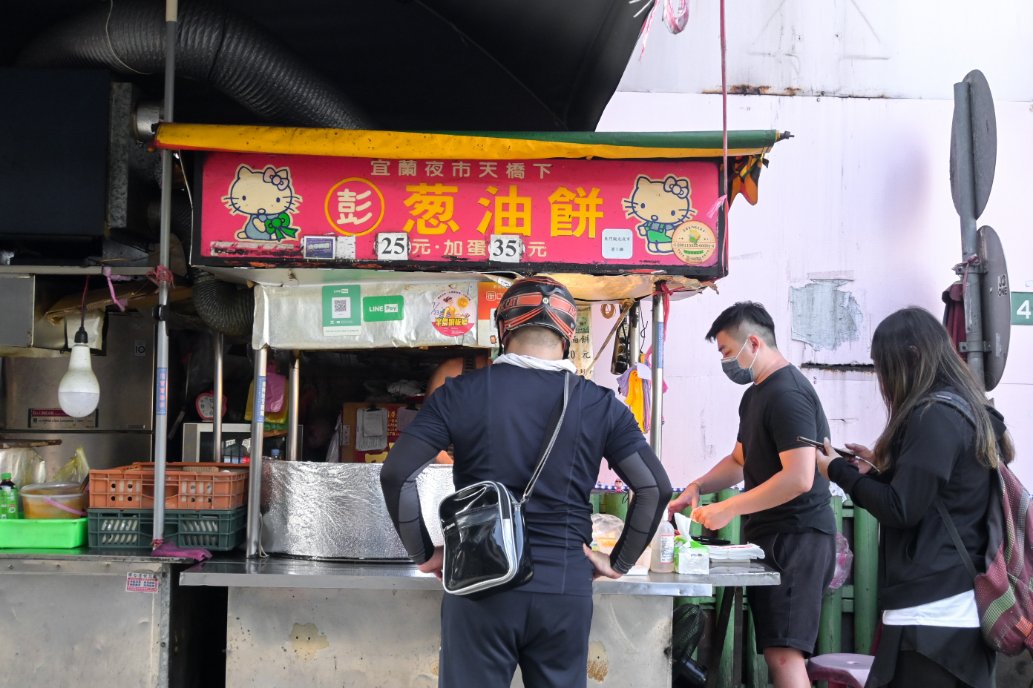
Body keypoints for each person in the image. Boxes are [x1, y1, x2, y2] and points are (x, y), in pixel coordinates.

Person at [380, 276, 672, 688]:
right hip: (565, 585)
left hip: (480, 583)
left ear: (504, 330)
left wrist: (425, 553)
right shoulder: (601, 404)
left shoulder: (459, 394)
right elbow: (654, 488)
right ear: (567, 336)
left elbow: (396, 474)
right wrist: (619, 562)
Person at [815, 307, 1011, 688]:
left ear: (912, 358)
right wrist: (880, 470)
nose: (884, 381)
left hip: (934, 618)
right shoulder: (966, 409)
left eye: (885, 367)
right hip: (948, 611)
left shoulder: (934, 414)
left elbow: (901, 508)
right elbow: (939, 492)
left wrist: (835, 471)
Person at [667, 301, 836, 688]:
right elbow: (739, 460)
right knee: (777, 649)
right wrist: (697, 487)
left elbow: (800, 477)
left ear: (754, 343)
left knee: (784, 655)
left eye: (727, 352)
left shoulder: (788, 394)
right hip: (772, 537)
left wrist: (730, 508)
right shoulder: (756, 395)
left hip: (799, 536)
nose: (726, 362)